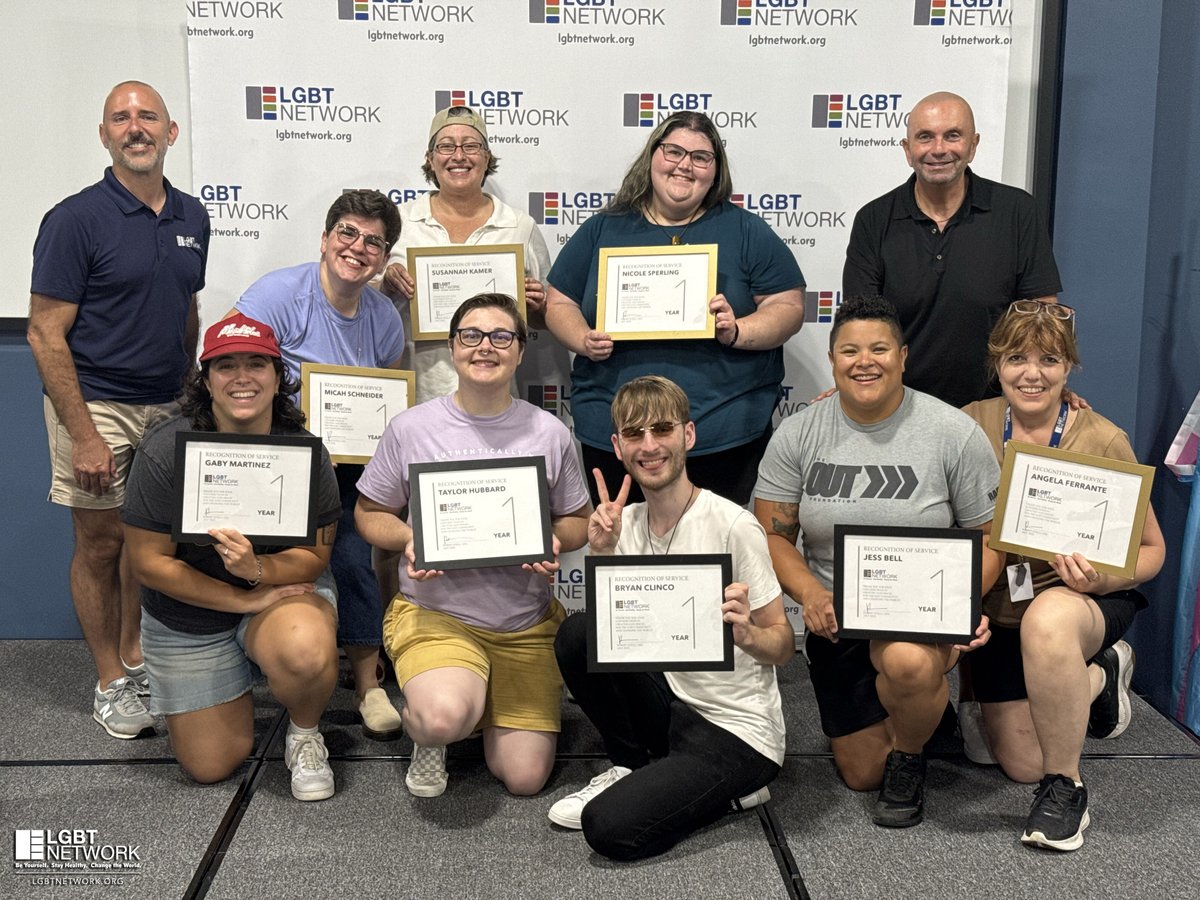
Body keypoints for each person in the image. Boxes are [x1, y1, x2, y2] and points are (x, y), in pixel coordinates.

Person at [753, 295, 1002, 828]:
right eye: (850, 350)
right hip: (838, 621)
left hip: (919, 616)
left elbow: (990, 537)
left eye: (879, 348)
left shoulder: (951, 432)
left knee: (908, 662)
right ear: (833, 358)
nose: (864, 361)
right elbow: (774, 536)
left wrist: (955, 608)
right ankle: (923, 714)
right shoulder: (798, 433)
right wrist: (811, 594)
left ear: (904, 356)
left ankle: (910, 752)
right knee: (863, 774)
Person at [26, 81, 210, 739]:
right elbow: (45, 332)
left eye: (147, 117)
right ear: (104, 135)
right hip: (95, 402)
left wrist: (191, 389)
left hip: (167, 404)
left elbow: (185, 308)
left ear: (170, 133)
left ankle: (136, 655)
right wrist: (82, 434)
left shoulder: (192, 215)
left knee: (149, 544)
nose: (135, 127)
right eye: (121, 118)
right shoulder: (75, 219)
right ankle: (109, 680)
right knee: (101, 543)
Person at [355, 293, 591, 798]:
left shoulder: (549, 432)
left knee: (525, 779)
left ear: (520, 351)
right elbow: (369, 515)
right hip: (437, 614)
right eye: (472, 336)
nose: (486, 347)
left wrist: (552, 537)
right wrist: (410, 539)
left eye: (502, 336)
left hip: (523, 623)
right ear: (452, 346)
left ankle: (472, 696)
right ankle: (435, 726)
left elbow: (578, 522)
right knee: (442, 719)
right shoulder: (411, 428)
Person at [548, 376, 792, 860]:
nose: (650, 445)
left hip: (734, 728)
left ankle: (736, 793)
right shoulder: (626, 523)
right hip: (669, 705)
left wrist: (747, 635)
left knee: (608, 828)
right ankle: (632, 762)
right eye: (635, 435)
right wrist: (602, 553)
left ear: (688, 436)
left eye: (662, 429)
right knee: (579, 632)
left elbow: (783, 645)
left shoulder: (734, 525)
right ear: (618, 447)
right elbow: (613, 644)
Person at [961, 301, 1165, 851]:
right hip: (999, 605)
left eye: (1049, 359)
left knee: (1049, 619)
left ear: (1069, 367)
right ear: (996, 361)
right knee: (1021, 762)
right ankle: (1098, 679)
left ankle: (1066, 789)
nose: (1032, 373)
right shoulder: (968, 424)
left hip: (1076, 601)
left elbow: (1153, 551)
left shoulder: (1102, 437)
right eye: (1016, 357)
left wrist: (1099, 581)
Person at [121, 315, 342, 801]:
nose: (242, 377)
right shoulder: (164, 451)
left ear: (278, 374)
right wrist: (242, 598)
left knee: (304, 648)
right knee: (212, 766)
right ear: (206, 380)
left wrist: (258, 573)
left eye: (256, 364)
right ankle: (227, 673)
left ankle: (304, 733)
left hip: (280, 592)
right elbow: (150, 564)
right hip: (188, 614)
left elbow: (315, 553)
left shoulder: (304, 450)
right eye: (226, 366)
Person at [545, 111, 806, 507]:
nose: (685, 165)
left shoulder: (745, 230)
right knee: (628, 558)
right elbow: (559, 300)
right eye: (674, 151)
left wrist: (738, 330)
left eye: (701, 157)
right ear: (652, 156)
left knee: (715, 559)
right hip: (620, 435)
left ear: (715, 172)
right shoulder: (604, 228)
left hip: (722, 434)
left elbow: (787, 304)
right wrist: (583, 338)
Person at [231, 189, 405, 741]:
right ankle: (249, 665)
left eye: (373, 242)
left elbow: (386, 393)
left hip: (349, 465)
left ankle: (366, 682)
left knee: (355, 556)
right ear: (326, 238)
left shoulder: (382, 316)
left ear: (383, 257)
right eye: (348, 234)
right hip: (274, 453)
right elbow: (234, 370)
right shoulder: (277, 294)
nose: (358, 248)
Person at [843, 91, 1062, 409]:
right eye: (925, 137)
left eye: (953, 136)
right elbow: (859, 325)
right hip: (899, 409)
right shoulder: (873, 220)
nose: (939, 149)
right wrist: (852, 389)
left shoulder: (1017, 210)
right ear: (908, 150)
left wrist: (1047, 384)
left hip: (995, 408)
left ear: (973, 145)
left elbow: (1041, 315)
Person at [380, 105, 559, 405]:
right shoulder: (400, 221)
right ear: (430, 158)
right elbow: (359, 306)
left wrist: (539, 306)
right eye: (446, 146)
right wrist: (385, 285)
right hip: (417, 398)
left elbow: (545, 317)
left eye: (471, 145)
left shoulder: (519, 226)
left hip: (494, 399)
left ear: (487, 157)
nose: (459, 156)